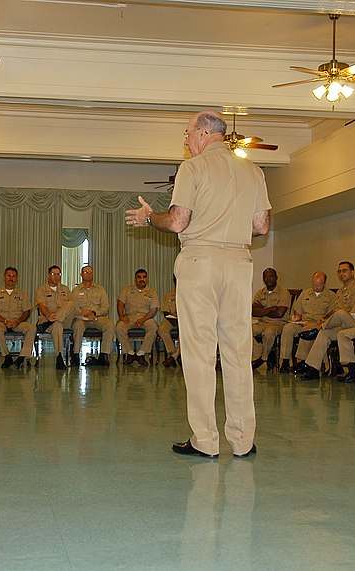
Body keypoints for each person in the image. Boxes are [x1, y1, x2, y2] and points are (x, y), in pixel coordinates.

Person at [125, 110, 270, 458]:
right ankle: (242, 441)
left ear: (205, 133)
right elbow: (262, 225)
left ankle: (205, 441)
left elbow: (177, 221)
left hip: (200, 261)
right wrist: (227, 225)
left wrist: (149, 218)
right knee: (237, 353)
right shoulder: (254, 170)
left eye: (188, 133)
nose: (186, 141)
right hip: (239, 264)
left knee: (200, 354)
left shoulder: (192, 168)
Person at [279, 271, 336, 373]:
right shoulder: (305, 293)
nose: (315, 287)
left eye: (318, 285)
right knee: (288, 328)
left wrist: (317, 323)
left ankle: (304, 362)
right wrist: (296, 317)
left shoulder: (331, 296)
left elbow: (331, 316)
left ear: (324, 284)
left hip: (318, 324)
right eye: (313, 284)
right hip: (303, 322)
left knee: (307, 330)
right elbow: (298, 311)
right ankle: (285, 361)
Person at [0, 267, 35, 369]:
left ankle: (21, 357)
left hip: (17, 322)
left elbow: (27, 311)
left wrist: (18, 321)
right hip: (2, 321)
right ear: (4, 277)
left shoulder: (22, 294)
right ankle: (7, 356)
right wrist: (4, 321)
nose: (11, 278)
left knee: (32, 328)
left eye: (14, 276)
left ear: (17, 279)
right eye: (9, 276)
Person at [70, 265, 114, 367]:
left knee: (110, 325)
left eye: (90, 272)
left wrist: (94, 313)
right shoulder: (76, 290)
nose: (88, 274)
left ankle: (103, 355)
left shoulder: (100, 289)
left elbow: (106, 307)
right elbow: (74, 308)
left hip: (97, 317)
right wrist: (85, 313)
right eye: (85, 272)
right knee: (78, 326)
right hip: (82, 318)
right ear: (81, 274)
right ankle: (76, 355)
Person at [115, 269, 159, 366]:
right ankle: (130, 353)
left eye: (144, 277)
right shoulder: (126, 290)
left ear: (147, 279)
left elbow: (153, 310)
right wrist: (122, 316)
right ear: (135, 279)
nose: (141, 279)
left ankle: (141, 353)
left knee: (153, 326)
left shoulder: (152, 292)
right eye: (139, 277)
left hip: (146, 318)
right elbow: (120, 303)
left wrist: (143, 319)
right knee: (119, 327)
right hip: (129, 317)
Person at [35, 265, 75, 370]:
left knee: (70, 303)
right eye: (54, 274)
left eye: (58, 274)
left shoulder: (65, 289)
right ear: (48, 275)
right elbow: (42, 306)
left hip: (63, 319)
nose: (56, 277)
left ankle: (54, 320)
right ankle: (59, 357)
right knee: (57, 325)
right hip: (47, 318)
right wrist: (49, 316)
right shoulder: (42, 289)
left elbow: (72, 307)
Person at [251, 268, 290, 371]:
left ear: (276, 278)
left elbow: (279, 313)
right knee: (248, 330)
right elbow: (253, 311)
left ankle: (263, 358)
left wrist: (262, 310)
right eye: (265, 277)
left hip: (278, 323)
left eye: (271, 276)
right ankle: (256, 357)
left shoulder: (283, 292)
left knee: (269, 332)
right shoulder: (260, 293)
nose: (268, 279)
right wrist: (270, 309)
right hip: (262, 322)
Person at [159, 281, 180, 367]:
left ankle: (174, 357)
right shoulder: (169, 295)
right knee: (162, 328)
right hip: (172, 319)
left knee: (185, 331)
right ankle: (174, 353)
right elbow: (165, 312)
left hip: (185, 320)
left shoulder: (190, 294)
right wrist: (174, 320)